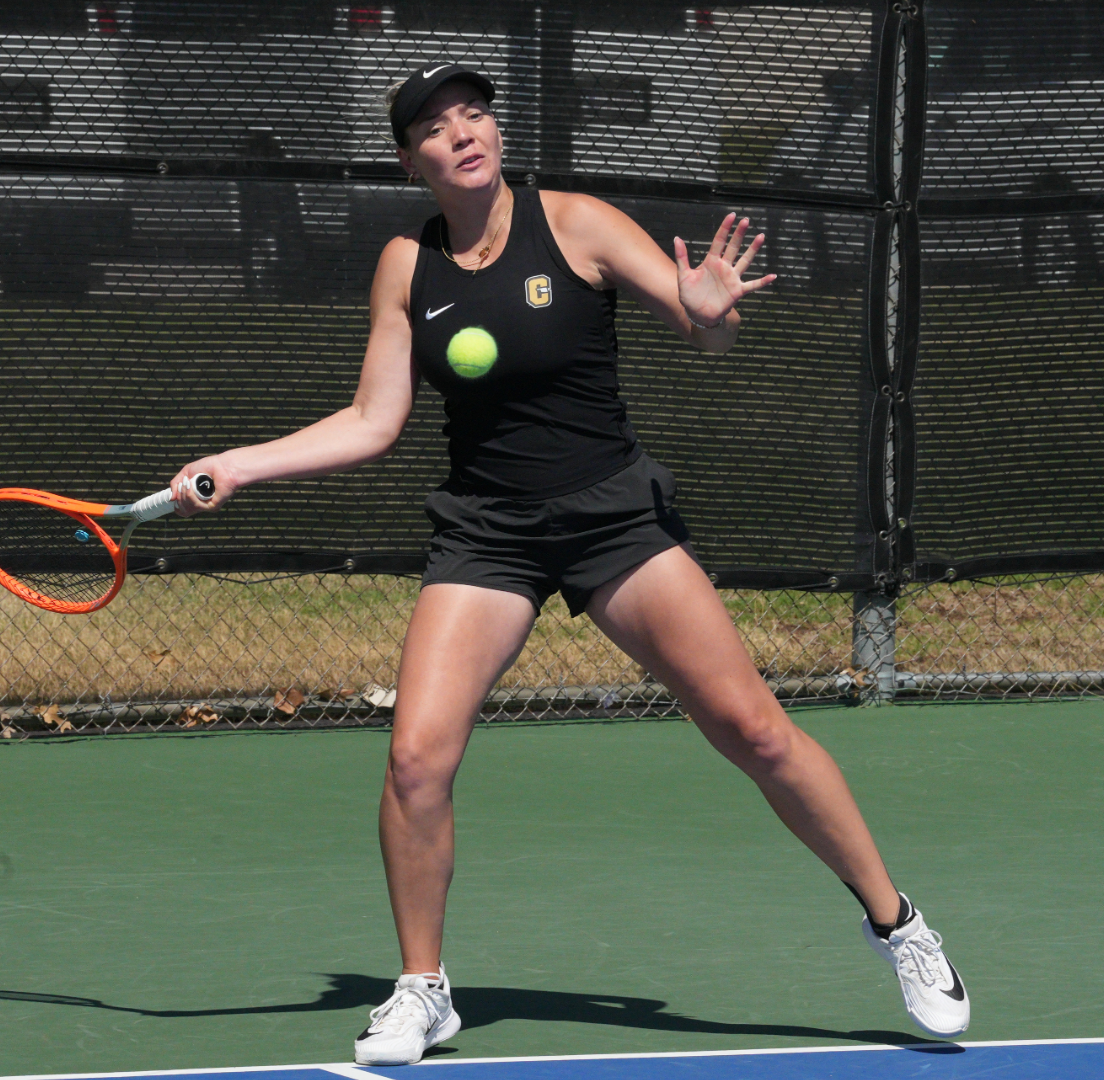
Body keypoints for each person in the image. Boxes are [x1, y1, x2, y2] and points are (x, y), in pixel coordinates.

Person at [168, 62, 968, 1065]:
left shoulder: (579, 223)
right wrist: (239, 466)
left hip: (611, 520)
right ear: (411, 158)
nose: (464, 132)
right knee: (416, 759)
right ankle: (423, 989)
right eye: (436, 125)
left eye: (474, 113)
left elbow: (699, 328)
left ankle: (898, 925)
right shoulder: (405, 269)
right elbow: (375, 422)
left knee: (753, 730)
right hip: (487, 533)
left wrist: (712, 310)